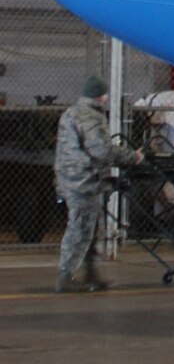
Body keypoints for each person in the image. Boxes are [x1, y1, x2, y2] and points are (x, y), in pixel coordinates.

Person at [53, 74, 140, 293]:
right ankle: (65, 276)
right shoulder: (91, 116)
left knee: (91, 227)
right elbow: (101, 149)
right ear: (101, 96)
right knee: (81, 228)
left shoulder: (70, 113)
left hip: (69, 177)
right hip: (84, 181)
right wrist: (133, 157)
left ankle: (90, 274)